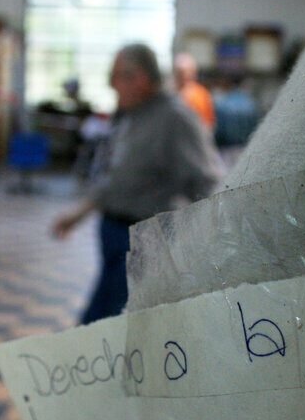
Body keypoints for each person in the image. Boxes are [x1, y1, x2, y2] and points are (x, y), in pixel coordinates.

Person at [53, 43, 223, 324]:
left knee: (113, 327)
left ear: (140, 79)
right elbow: (117, 176)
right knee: (98, 322)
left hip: (144, 241)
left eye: (116, 76)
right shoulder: (133, 114)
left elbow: (208, 183)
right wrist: (78, 213)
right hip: (115, 237)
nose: (111, 85)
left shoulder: (175, 118)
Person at [173, 51, 216, 135]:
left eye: (184, 72)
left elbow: (209, 123)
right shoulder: (170, 94)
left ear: (193, 72)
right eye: (179, 72)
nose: (183, 75)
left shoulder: (202, 95)